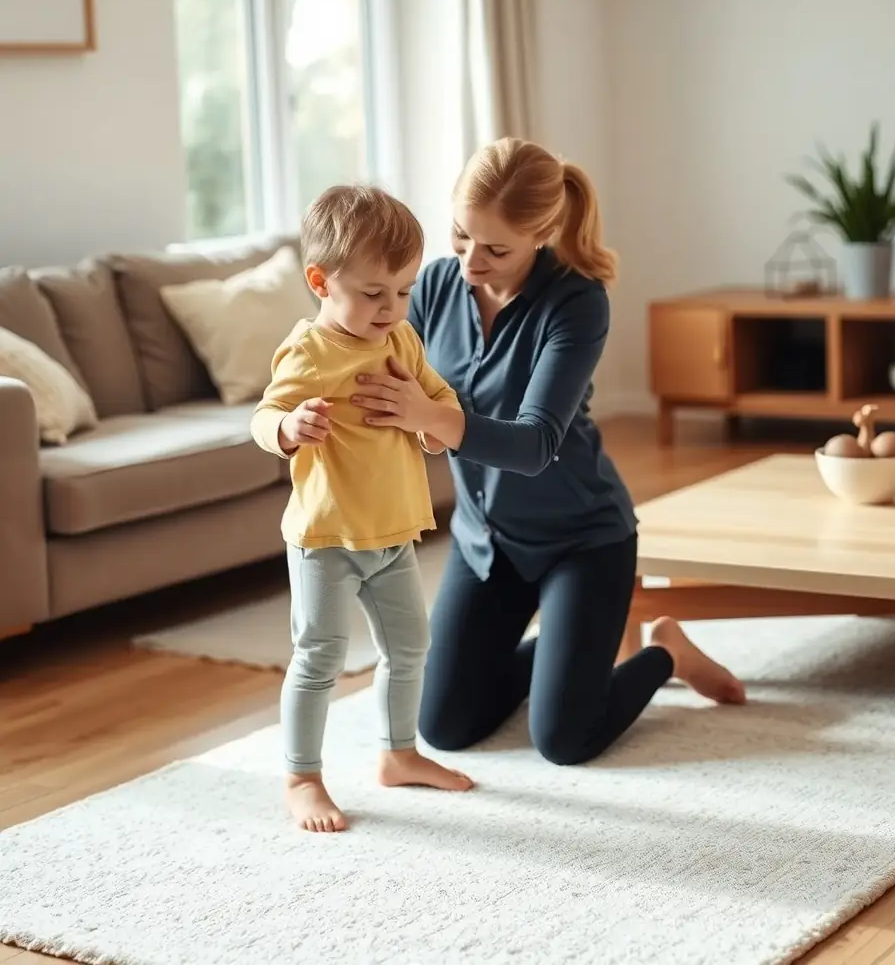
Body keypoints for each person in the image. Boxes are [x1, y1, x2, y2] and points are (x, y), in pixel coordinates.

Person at [351, 138, 746, 768]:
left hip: (581, 540)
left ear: (542, 234)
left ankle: (666, 651)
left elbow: (535, 444)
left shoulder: (577, 302)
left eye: (495, 248)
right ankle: (572, 653)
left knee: (565, 741)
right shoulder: (431, 288)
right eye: (459, 237)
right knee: (444, 726)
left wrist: (430, 417)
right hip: (486, 543)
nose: (471, 262)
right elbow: (382, 376)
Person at [251, 185, 474, 834]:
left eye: (403, 291)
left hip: (392, 534)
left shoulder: (401, 341)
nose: (391, 307)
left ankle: (399, 753)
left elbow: (444, 407)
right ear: (321, 281)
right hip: (325, 539)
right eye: (374, 292)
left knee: (411, 646)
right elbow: (263, 418)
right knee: (319, 655)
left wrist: (430, 423)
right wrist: (290, 427)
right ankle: (301, 777)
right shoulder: (309, 353)